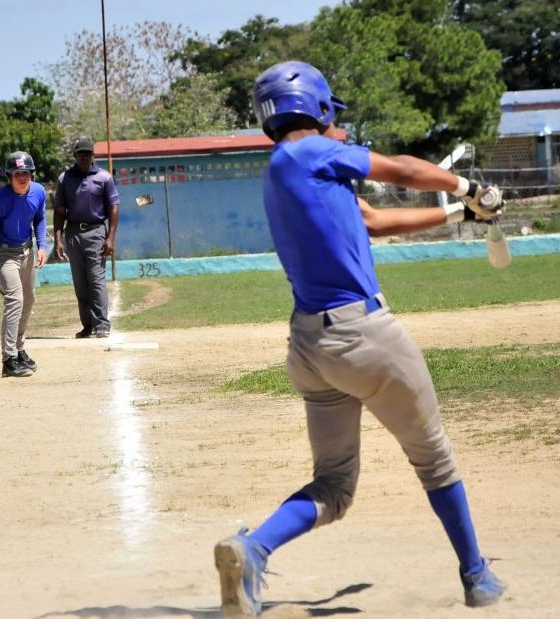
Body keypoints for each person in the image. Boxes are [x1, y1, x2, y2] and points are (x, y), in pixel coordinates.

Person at [213, 61, 507, 616]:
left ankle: (253, 549)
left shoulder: (284, 169)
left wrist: (458, 212)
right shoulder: (312, 152)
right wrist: (470, 185)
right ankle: (477, 575)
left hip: (309, 348)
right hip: (364, 337)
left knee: (333, 485)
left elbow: (371, 221)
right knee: (435, 460)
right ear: (318, 110)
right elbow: (401, 170)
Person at [0, 151, 48, 378]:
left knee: (29, 299)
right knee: (15, 299)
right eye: (16, 173)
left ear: (32, 174)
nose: (22, 178)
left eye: (26, 173)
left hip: (26, 250)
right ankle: (8, 359)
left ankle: (18, 349)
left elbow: (39, 218)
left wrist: (43, 245)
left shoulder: (38, 192)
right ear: (9, 176)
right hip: (1, 253)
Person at [53, 137, 120, 339]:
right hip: (73, 233)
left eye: (88, 154)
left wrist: (110, 238)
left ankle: (102, 324)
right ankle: (88, 325)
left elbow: (114, 207)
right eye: (80, 154)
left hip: (96, 232)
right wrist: (58, 239)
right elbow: (59, 211)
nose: (84, 157)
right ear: (75, 156)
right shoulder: (65, 179)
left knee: (96, 280)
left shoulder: (104, 177)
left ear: (93, 156)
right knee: (80, 283)